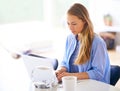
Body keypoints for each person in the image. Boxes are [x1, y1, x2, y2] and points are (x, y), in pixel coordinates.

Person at [56, 3, 110, 84]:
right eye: (68, 23)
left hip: (93, 86)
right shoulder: (69, 38)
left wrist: (70, 76)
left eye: (74, 24)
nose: (70, 28)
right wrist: (61, 69)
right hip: (74, 84)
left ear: (84, 21)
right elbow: (65, 61)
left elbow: (98, 73)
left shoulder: (98, 42)